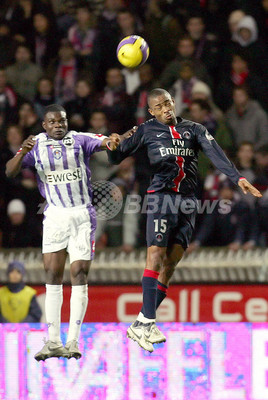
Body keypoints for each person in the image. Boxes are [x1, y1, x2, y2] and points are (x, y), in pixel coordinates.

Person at [107, 88, 261, 352]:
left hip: (188, 201)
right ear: (152, 111)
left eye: (168, 103)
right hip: (160, 198)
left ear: (174, 103)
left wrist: (238, 178)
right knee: (155, 254)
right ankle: (148, 321)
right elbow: (116, 156)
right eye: (159, 106)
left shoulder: (194, 129)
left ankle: (143, 320)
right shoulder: (145, 130)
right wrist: (113, 145)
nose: (166, 108)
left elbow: (215, 153)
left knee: (172, 263)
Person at [6, 104, 123, 361]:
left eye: (62, 121)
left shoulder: (79, 139)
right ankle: (53, 341)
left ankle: (73, 340)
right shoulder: (35, 145)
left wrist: (117, 139)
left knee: (79, 273)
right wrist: (22, 152)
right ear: (44, 125)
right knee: (52, 275)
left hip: (82, 215)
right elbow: (9, 171)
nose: (59, 125)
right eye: (53, 122)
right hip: (55, 216)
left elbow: (106, 141)